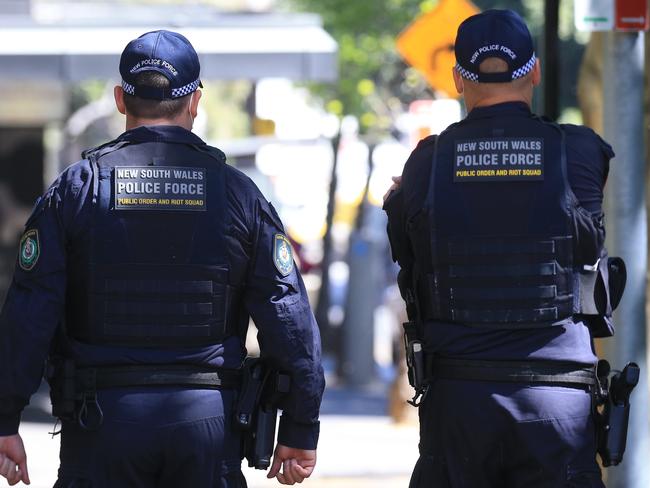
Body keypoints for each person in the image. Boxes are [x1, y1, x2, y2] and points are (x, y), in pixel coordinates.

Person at [0, 30, 324, 488]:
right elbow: (288, 316)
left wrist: (5, 417)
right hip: (207, 423)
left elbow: (30, 311)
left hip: (102, 422)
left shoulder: (77, 189)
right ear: (194, 101)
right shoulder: (238, 194)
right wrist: (300, 426)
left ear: (119, 98)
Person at [384, 9, 621, 487]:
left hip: (460, 399)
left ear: (457, 78)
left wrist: (400, 199)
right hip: (557, 404)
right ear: (533, 70)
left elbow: (409, 266)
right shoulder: (580, 152)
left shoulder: (425, 164)